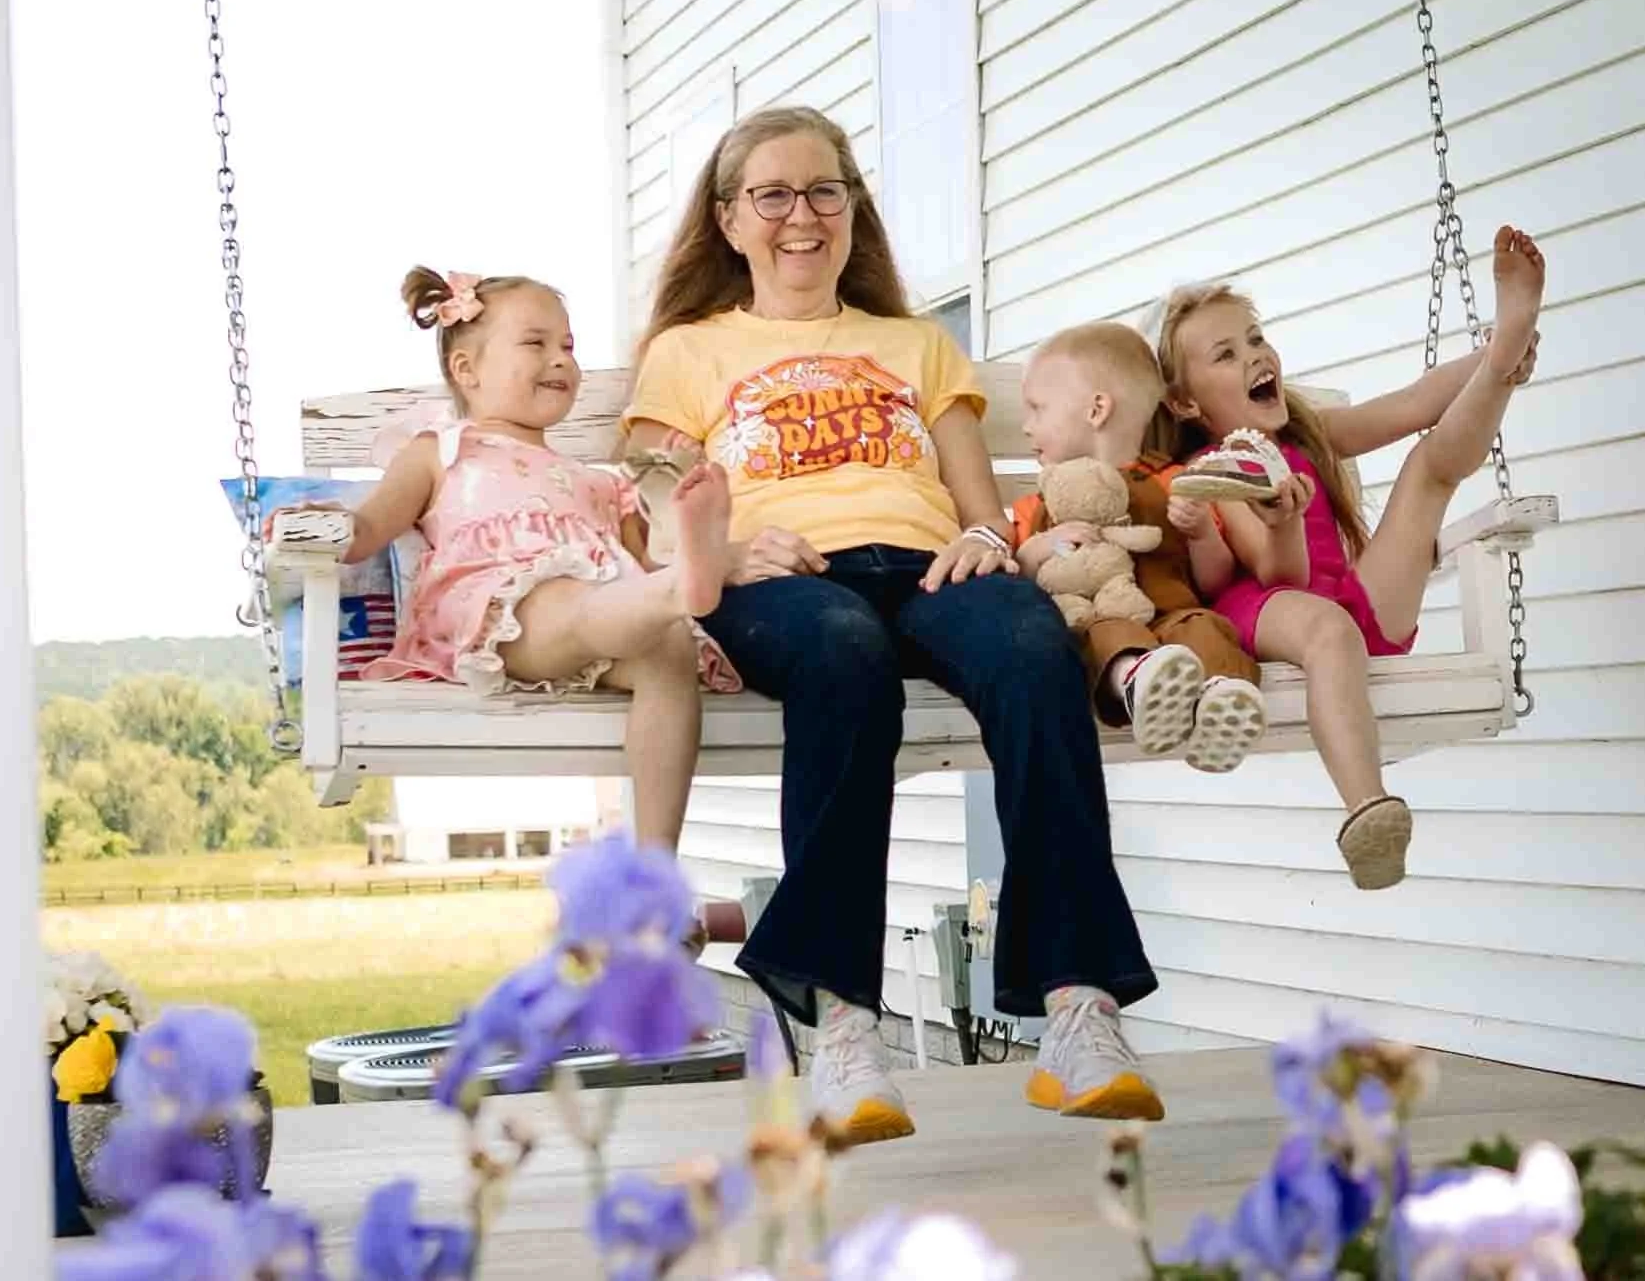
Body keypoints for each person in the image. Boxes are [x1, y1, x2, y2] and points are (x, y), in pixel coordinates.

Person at [621, 106, 1165, 1134]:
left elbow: (974, 499)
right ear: (731, 219)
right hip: (781, 577)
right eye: (772, 194)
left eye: (825, 189)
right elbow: (655, 503)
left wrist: (989, 540)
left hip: (928, 564)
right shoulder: (690, 352)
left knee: (1031, 646)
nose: (802, 215)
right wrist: (726, 552)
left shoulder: (915, 345)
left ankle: (1077, 1007)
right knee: (844, 651)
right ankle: (843, 1026)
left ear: (853, 210)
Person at [289, 267, 742, 856]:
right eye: (536, 343)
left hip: (603, 612)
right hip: (503, 616)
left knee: (668, 648)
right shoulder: (441, 451)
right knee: (583, 600)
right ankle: (687, 586)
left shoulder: (599, 483)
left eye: (569, 346)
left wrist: (670, 510)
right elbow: (371, 527)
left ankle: (655, 867)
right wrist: (326, 525)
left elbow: (638, 566)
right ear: (467, 370)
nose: (560, 359)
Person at [1150, 225, 1545, 890]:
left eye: (1254, 337)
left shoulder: (1307, 433)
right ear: (1185, 402)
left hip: (1355, 605)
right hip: (1270, 615)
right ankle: (1367, 807)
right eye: (1224, 353)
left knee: (1427, 468)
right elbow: (1281, 578)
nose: (1253, 355)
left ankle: (1503, 359)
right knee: (1326, 627)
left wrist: (1485, 360)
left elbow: (1417, 404)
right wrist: (1280, 521)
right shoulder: (1213, 467)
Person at [1012, 321, 1266, 772]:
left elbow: (1212, 584)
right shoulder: (1041, 502)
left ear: (1096, 410)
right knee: (1105, 635)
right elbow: (1018, 576)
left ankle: (1221, 703)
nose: (1027, 425)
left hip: (1174, 615)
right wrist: (1039, 549)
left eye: (1037, 408)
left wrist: (1203, 534)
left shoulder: (1177, 483)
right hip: (1100, 622)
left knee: (1204, 625)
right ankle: (1139, 680)